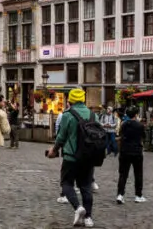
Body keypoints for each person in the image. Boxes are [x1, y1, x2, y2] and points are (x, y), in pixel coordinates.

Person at [48, 88, 104, 228]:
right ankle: (88, 218)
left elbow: (61, 137)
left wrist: (54, 150)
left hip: (71, 157)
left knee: (66, 183)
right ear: (83, 100)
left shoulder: (68, 115)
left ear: (70, 100)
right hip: (88, 157)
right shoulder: (93, 115)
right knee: (86, 187)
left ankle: (78, 207)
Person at [116, 105, 145, 204]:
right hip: (137, 151)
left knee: (123, 174)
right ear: (136, 115)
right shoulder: (140, 125)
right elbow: (143, 137)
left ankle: (120, 194)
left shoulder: (123, 124)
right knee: (138, 174)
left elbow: (120, 135)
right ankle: (138, 195)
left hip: (125, 151)